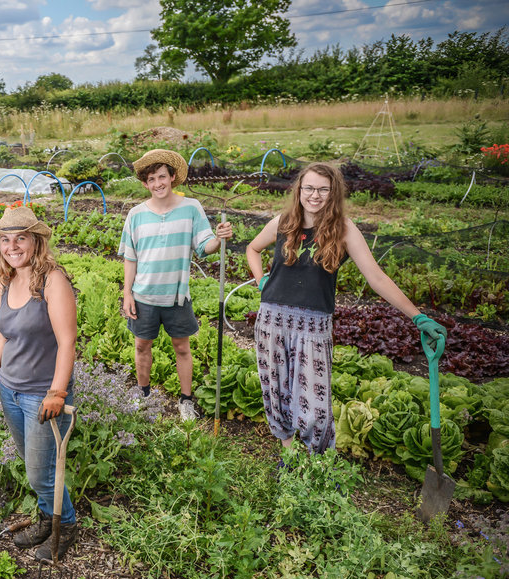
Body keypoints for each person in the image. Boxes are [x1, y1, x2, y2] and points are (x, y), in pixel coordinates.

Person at [245, 162, 446, 454]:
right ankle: (289, 456)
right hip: (272, 321)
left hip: (313, 327)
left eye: (323, 190)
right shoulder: (283, 222)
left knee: (316, 406)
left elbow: (376, 277)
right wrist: (261, 280)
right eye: (309, 188)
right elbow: (253, 248)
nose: (315, 195)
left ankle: (318, 465)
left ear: (333, 193)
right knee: (277, 394)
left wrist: (417, 316)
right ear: (299, 190)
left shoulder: (344, 230)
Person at [0, 205, 79, 564]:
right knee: (34, 466)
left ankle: (63, 527)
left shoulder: (52, 281)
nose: (12, 246)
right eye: (6, 240)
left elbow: (68, 342)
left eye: (20, 238)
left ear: (35, 241)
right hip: (10, 390)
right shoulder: (6, 280)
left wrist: (57, 392)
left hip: (41, 394)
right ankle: (45, 519)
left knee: (41, 472)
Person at [118, 148, 233, 419]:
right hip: (144, 295)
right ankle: (143, 395)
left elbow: (205, 247)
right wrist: (127, 294)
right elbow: (130, 258)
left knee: (182, 347)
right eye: (151, 179)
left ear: (172, 177)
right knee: (142, 346)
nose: (157, 184)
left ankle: (185, 400)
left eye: (162, 177)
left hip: (177, 297)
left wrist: (219, 237)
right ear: (145, 184)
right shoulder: (136, 214)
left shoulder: (191, 208)